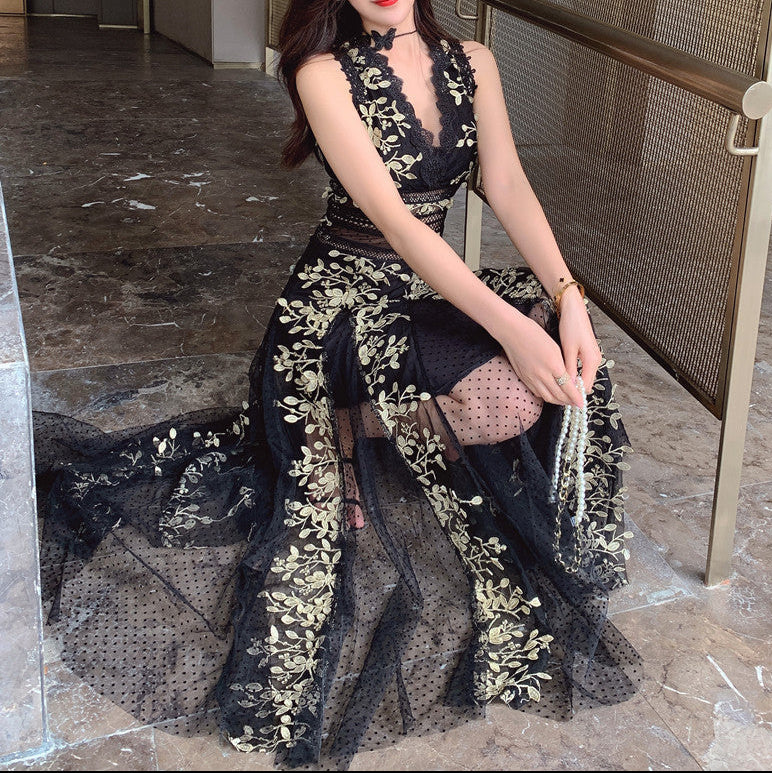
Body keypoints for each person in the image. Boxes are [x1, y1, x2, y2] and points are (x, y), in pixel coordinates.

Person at [33, 0, 641, 769]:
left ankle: (362, 424)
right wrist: (514, 332)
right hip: (338, 305)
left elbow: (509, 185)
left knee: (555, 355)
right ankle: (338, 427)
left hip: (426, 293)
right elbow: (398, 223)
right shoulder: (320, 71)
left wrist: (565, 301)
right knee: (511, 380)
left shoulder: (475, 62)